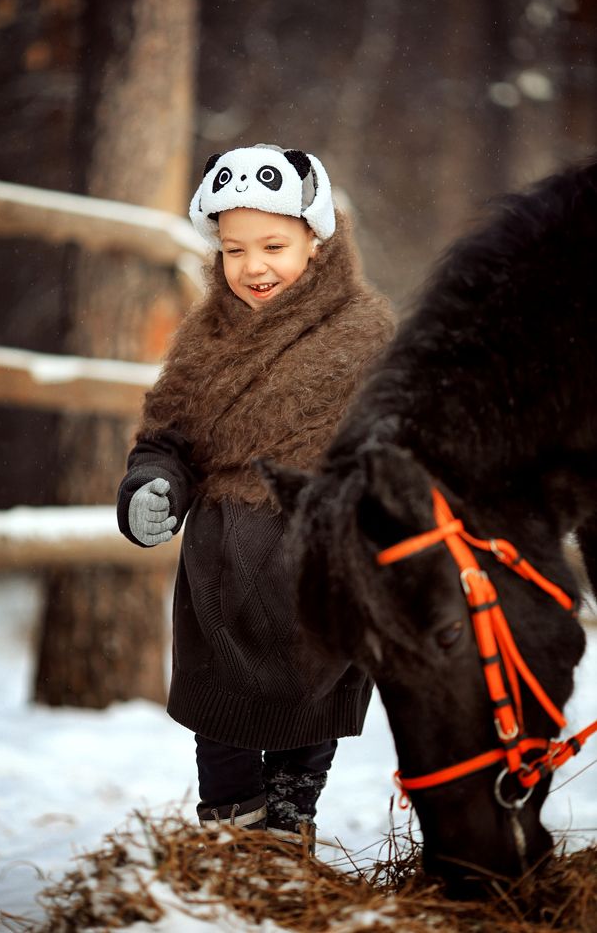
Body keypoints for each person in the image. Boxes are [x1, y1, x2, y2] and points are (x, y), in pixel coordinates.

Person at [117, 144, 394, 846]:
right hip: (222, 568)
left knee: (312, 699)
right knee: (223, 716)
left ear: (317, 240)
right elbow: (169, 438)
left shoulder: (364, 337)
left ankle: (290, 819)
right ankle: (231, 831)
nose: (254, 266)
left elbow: (392, 445)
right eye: (235, 249)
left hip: (319, 563)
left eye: (274, 244)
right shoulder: (204, 340)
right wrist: (153, 486)